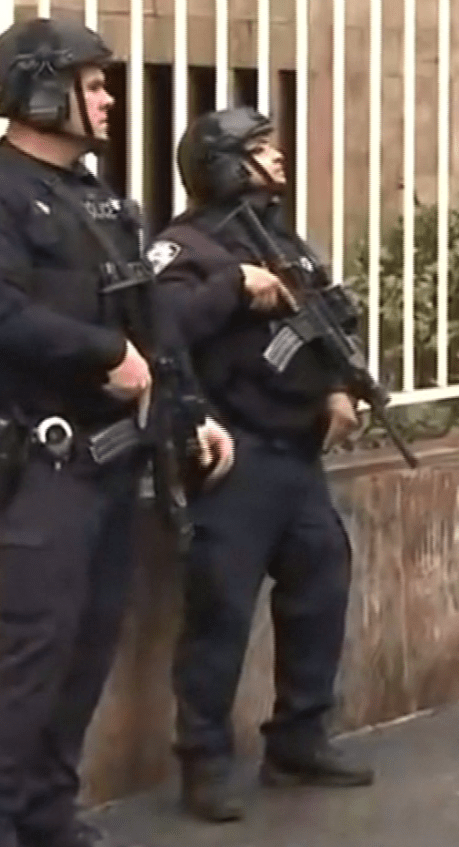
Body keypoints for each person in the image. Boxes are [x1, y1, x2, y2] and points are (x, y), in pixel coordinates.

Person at [0, 16, 234, 847]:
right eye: (93, 83)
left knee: (85, 649)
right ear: (40, 90)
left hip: (112, 462)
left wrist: (190, 407)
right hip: (38, 462)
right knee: (31, 655)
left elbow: (152, 318)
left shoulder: (100, 200)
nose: (107, 97)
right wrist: (102, 353)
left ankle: (43, 811)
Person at [147, 107, 374, 822]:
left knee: (320, 585)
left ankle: (299, 739)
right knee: (220, 612)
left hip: (296, 452)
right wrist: (234, 288)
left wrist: (339, 387)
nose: (276, 160)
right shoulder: (182, 247)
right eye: (257, 150)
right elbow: (158, 326)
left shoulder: (282, 239)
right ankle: (204, 762)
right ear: (218, 163)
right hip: (231, 455)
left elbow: (323, 326)